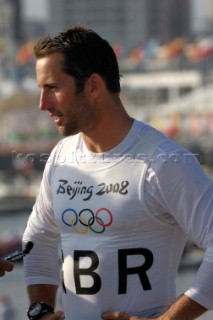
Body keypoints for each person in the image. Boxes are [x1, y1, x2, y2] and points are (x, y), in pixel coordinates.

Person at [22, 25, 213, 320]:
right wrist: (40, 309)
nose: (43, 104)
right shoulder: (61, 157)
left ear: (93, 86)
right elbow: (38, 239)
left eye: (53, 88)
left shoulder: (164, 161)